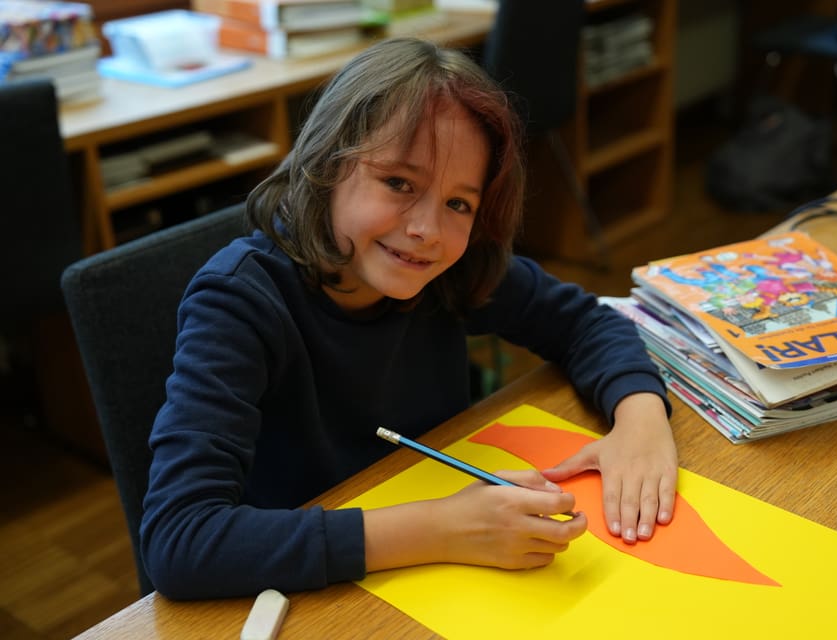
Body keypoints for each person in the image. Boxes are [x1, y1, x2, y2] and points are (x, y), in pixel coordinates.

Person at [140, 37, 677, 600]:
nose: (427, 229)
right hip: (304, 595)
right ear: (326, 165)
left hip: (438, 574)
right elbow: (180, 541)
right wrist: (442, 529)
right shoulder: (240, 301)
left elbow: (586, 322)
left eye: (459, 203)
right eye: (399, 183)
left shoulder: (450, 268)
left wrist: (641, 424)